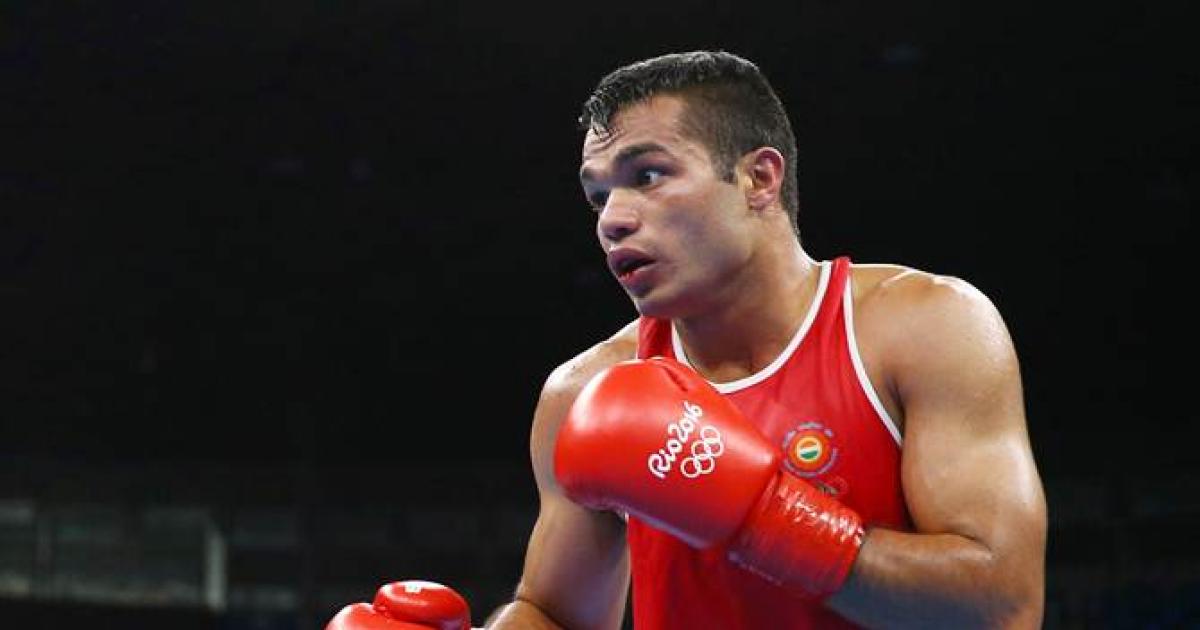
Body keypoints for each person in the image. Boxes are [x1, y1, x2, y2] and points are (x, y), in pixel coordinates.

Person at [327, 49, 1047, 629]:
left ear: (759, 178)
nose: (612, 219)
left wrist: (763, 517)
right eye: (597, 195)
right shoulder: (585, 393)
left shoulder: (921, 327)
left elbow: (1003, 605)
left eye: (647, 175)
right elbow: (558, 616)